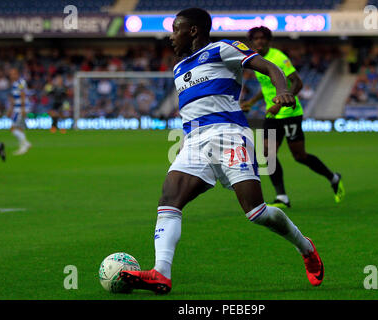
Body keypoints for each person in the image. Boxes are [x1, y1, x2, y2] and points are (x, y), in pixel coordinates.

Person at [120, 8, 324, 294]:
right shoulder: (179, 68)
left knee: (256, 212)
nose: (170, 36)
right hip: (192, 141)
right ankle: (161, 273)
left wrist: (282, 90)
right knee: (169, 200)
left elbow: (268, 67)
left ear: (193, 30)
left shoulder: (223, 49)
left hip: (229, 136)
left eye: (176, 29)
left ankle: (305, 247)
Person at [241, 26, 344, 208]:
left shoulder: (278, 57)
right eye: (256, 39)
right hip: (272, 115)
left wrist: (278, 104)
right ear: (252, 42)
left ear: (268, 40)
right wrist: (252, 102)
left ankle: (333, 177)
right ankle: (282, 197)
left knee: (299, 156)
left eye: (262, 38)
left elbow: (297, 82)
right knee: (266, 153)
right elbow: (267, 87)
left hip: (289, 113)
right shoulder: (255, 60)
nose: (259, 41)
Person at [6, 68, 31, 155]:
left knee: (13, 128)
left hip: (20, 109)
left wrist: (23, 109)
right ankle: (24, 146)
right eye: (11, 74)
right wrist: (10, 110)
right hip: (17, 108)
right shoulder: (14, 84)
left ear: (17, 74)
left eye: (13, 74)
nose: (11, 75)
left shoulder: (21, 83)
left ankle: (25, 145)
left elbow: (23, 95)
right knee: (19, 128)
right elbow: (13, 99)